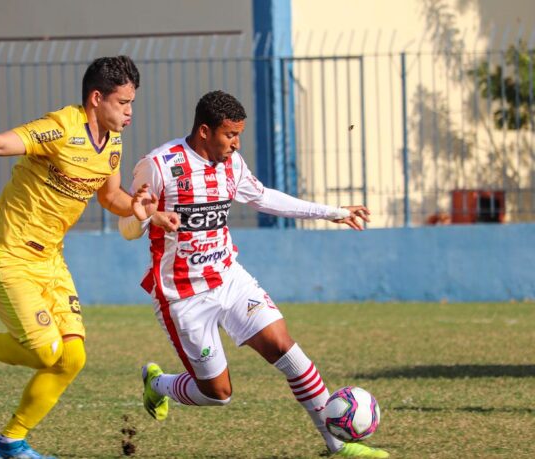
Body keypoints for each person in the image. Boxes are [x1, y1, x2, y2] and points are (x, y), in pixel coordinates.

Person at [0, 56, 176, 459]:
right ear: (97, 98)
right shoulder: (61, 127)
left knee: (73, 357)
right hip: (7, 256)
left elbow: (109, 196)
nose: (130, 112)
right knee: (47, 351)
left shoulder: (113, 141)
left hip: (51, 262)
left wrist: (142, 208)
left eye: (133, 103)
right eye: (123, 102)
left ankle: (10, 442)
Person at [118, 90, 389, 458]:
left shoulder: (233, 164)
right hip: (182, 295)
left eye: (238, 134)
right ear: (204, 131)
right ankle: (159, 384)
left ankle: (337, 445)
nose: (236, 143)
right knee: (218, 395)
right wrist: (144, 215)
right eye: (230, 134)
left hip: (229, 278)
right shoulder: (160, 165)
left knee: (286, 348)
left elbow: (265, 198)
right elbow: (126, 227)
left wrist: (332, 211)